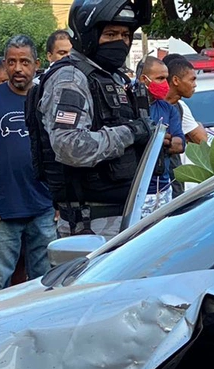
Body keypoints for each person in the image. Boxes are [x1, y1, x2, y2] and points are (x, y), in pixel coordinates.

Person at [30, 0, 155, 239]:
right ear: (87, 34)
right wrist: (130, 133)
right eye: (110, 34)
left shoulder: (113, 77)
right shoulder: (70, 78)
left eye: (125, 35)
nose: (121, 42)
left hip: (122, 216)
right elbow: (70, 146)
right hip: (91, 224)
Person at [0, 36, 55, 295]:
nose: (18, 68)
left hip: (44, 206)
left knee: (46, 281)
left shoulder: (47, 99)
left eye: (25, 62)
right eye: (12, 62)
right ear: (5, 64)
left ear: (36, 64)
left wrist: (59, 199)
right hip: (0, 208)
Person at [138, 56, 182, 214]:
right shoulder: (128, 105)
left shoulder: (168, 109)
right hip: (134, 191)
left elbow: (179, 144)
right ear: (144, 79)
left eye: (166, 78)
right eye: (160, 78)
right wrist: (153, 138)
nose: (165, 83)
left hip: (162, 187)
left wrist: (161, 141)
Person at [164, 54, 205, 145]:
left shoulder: (178, 107)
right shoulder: (154, 105)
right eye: (192, 80)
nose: (195, 85)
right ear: (175, 80)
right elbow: (202, 142)